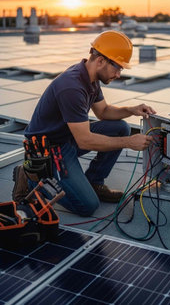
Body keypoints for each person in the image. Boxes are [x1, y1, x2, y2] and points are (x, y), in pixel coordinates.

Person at [12, 30, 156, 216]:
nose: (119, 74)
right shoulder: (72, 87)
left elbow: (103, 112)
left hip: (67, 138)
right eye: (117, 67)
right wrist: (129, 143)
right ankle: (30, 176)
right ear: (101, 60)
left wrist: (131, 110)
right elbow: (85, 141)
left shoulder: (91, 78)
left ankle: (94, 182)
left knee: (121, 128)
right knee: (87, 206)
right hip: (48, 150)